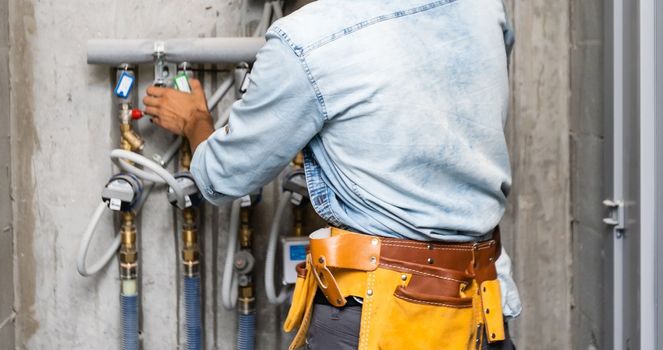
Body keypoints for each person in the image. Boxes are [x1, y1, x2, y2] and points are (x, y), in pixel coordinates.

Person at [143, 0, 521, 348]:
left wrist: (195, 120)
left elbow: (223, 177)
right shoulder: (483, 8)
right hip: (482, 305)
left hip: (378, 317)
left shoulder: (309, 41)